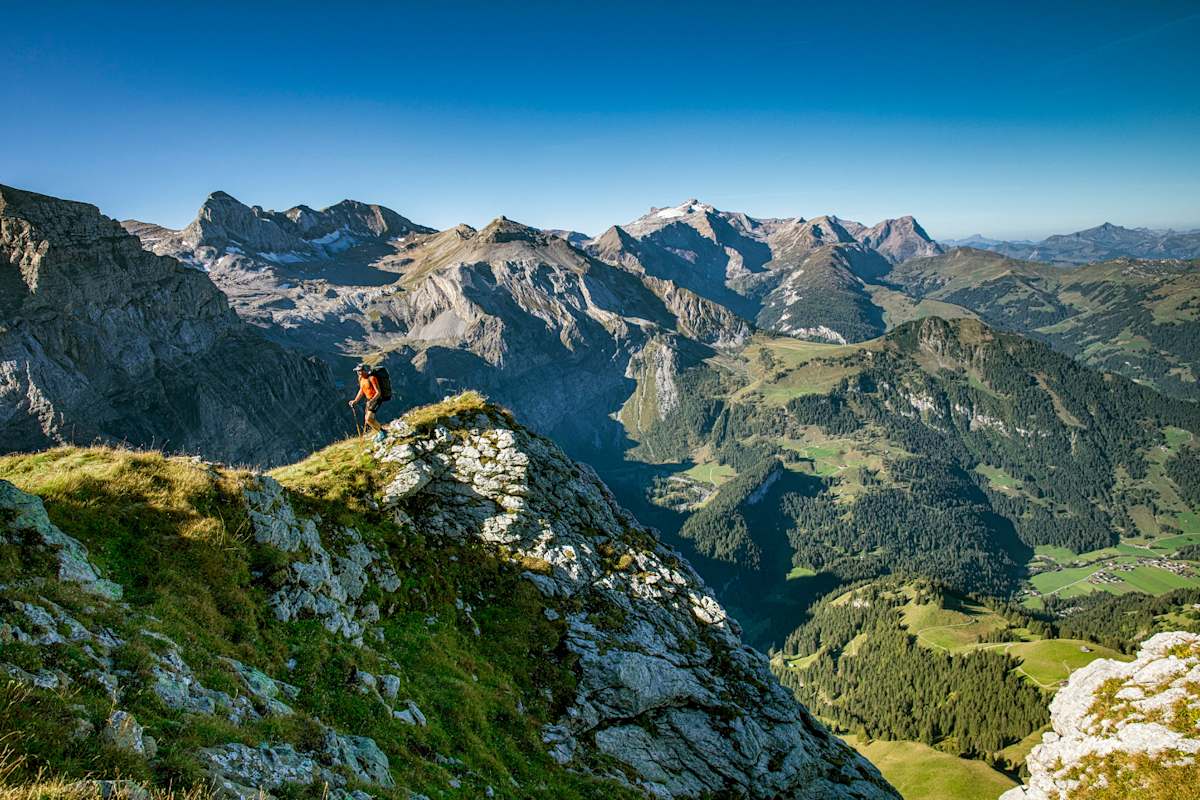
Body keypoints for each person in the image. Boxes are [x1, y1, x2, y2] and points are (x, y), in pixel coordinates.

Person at [349, 364, 387, 443]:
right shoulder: (361, 379)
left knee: (369, 419)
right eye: (357, 371)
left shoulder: (372, 378)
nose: (358, 373)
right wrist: (355, 401)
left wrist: (371, 401)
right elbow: (362, 390)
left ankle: (383, 433)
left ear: (364, 370)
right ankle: (380, 432)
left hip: (376, 399)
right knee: (368, 420)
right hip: (369, 400)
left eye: (359, 371)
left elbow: (378, 392)